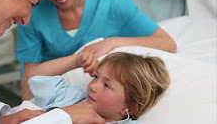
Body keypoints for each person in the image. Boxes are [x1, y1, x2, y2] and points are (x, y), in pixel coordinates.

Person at [16, 0, 177, 100]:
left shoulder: (112, 2)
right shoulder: (33, 10)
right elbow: (28, 82)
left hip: (99, 100)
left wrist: (114, 42)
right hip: (52, 98)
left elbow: (167, 43)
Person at [26, 52, 171, 123]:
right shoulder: (72, 98)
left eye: (106, 85)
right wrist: (74, 60)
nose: (93, 86)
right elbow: (35, 78)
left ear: (131, 107)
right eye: (96, 76)